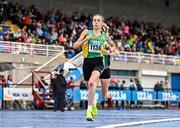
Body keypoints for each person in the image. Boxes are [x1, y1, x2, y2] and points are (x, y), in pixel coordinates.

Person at [73, 14, 117, 121]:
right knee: (90, 88)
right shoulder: (86, 33)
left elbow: (114, 47)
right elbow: (75, 46)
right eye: (95, 20)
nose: (96, 22)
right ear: (92, 23)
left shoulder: (105, 36)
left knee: (92, 82)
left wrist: (109, 51)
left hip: (99, 62)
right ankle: (93, 104)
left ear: (102, 23)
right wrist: (85, 41)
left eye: (98, 21)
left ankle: (88, 112)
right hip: (87, 62)